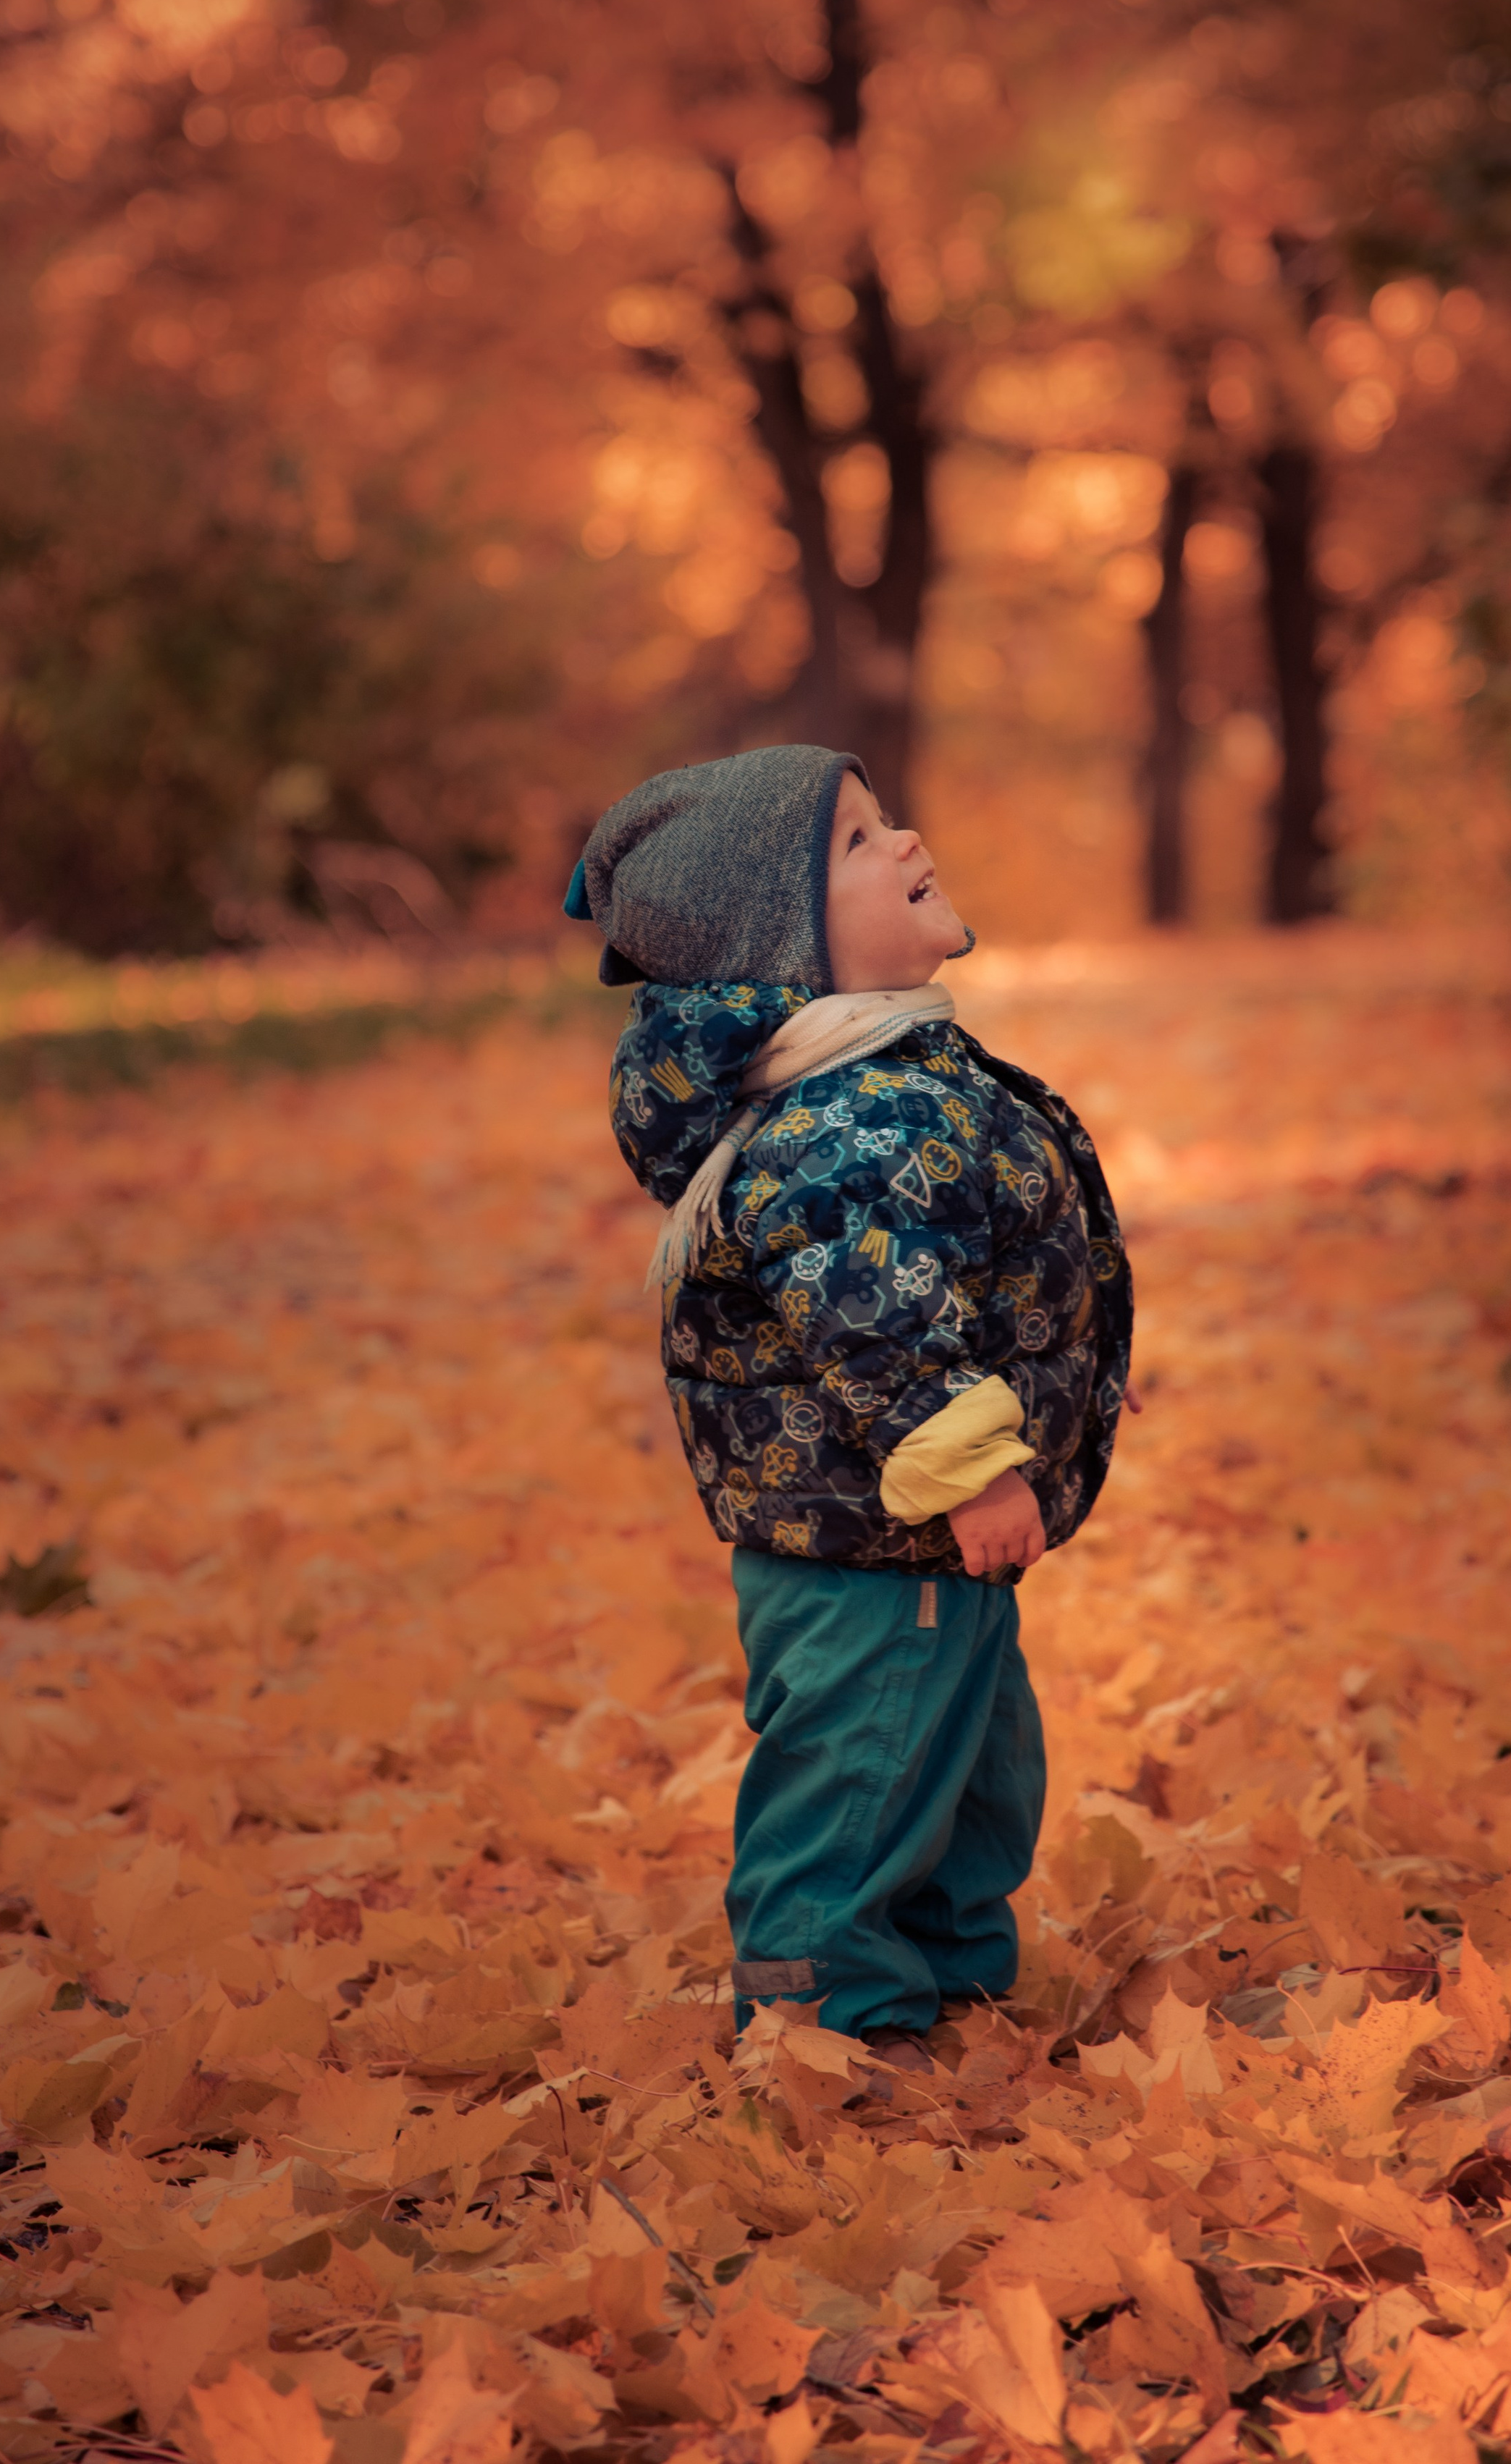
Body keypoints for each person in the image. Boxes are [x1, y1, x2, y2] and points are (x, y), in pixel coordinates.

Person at [563, 743, 1133, 2059]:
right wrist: (984, 1468)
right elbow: (875, 1325)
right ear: (784, 945)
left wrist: (1063, 1366)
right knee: (863, 1781)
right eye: (860, 842)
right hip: (881, 1546)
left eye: (885, 822)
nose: (910, 841)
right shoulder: (845, 1124)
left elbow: (953, 1277)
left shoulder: (879, 1073)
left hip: (917, 1533)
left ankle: (946, 1990)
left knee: (970, 1777)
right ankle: (825, 2024)